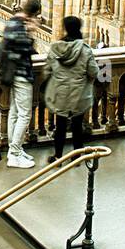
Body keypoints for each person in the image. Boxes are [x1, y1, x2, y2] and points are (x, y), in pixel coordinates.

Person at [42, 16, 100, 163]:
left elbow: (47, 70)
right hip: (79, 93)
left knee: (60, 126)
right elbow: (94, 72)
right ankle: (76, 156)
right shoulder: (85, 50)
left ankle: (58, 156)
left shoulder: (56, 48)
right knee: (77, 126)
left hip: (60, 93)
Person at [0, 0, 41, 169]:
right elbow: (28, 50)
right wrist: (31, 33)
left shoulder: (12, 22)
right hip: (21, 75)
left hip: (13, 75)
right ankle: (14, 154)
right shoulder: (20, 27)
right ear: (34, 13)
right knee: (24, 114)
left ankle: (14, 149)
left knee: (15, 112)